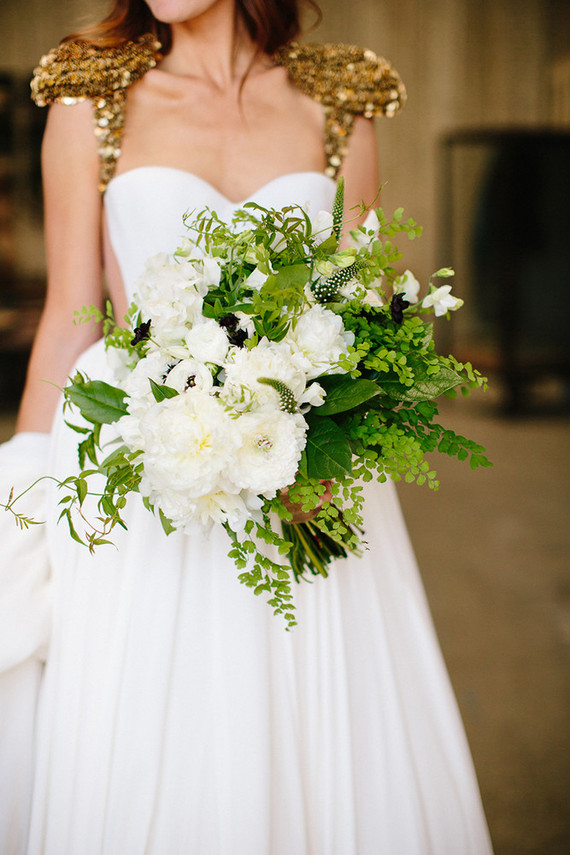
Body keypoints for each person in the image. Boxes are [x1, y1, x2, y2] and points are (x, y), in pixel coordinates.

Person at [0, 0, 494, 852]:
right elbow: (72, 318)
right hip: (150, 492)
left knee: (319, 735)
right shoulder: (92, 103)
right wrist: (25, 491)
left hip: (308, 484)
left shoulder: (339, 106)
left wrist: (337, 449)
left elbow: (362, 321)